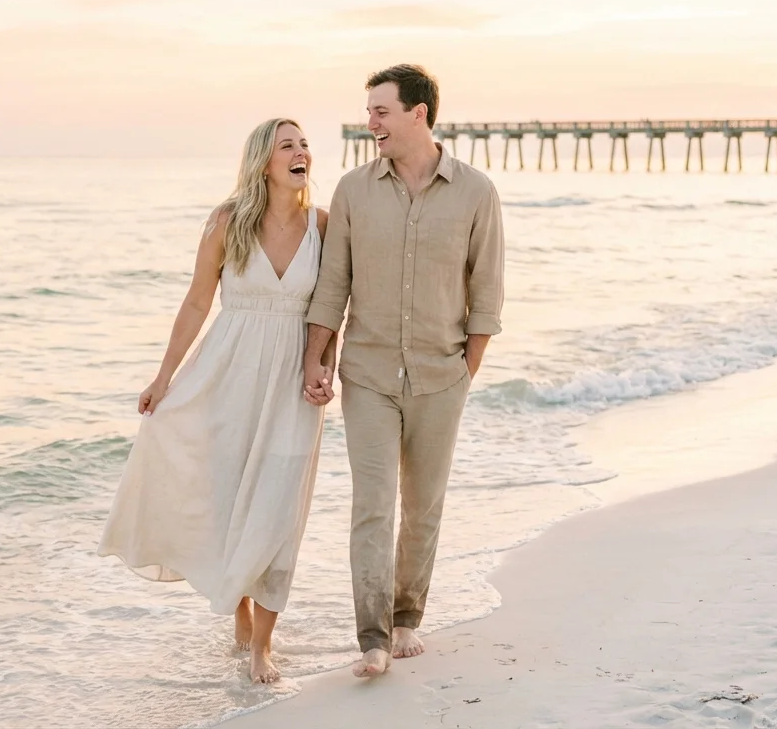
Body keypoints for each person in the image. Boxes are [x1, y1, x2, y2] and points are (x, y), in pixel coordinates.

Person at [99, 118, 333, 685]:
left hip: (291, 387)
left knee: (280, 510)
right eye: (288, 145)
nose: (301, 152)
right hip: (225, 375)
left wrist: (322, 365)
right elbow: (198, 302)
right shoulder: (227, 222)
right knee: (228, 500)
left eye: (304, 144)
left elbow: (333, 306)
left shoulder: (324, 226)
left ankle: (262, 646)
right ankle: (241, 612)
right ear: (263, 161)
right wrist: (164, 377)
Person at [302, 64, 505, 678]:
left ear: (419, 113)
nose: (371, 124)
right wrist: (318, 357)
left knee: (423, 506)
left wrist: (464, 372)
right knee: (373, 505)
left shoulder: (476, 192)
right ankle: (371, 635)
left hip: (441, 377)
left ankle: (407, 618)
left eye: (381, 111)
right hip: (365, 375)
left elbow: (487, 294)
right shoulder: (353, 191)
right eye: (369, 112)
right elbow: (333, 283)